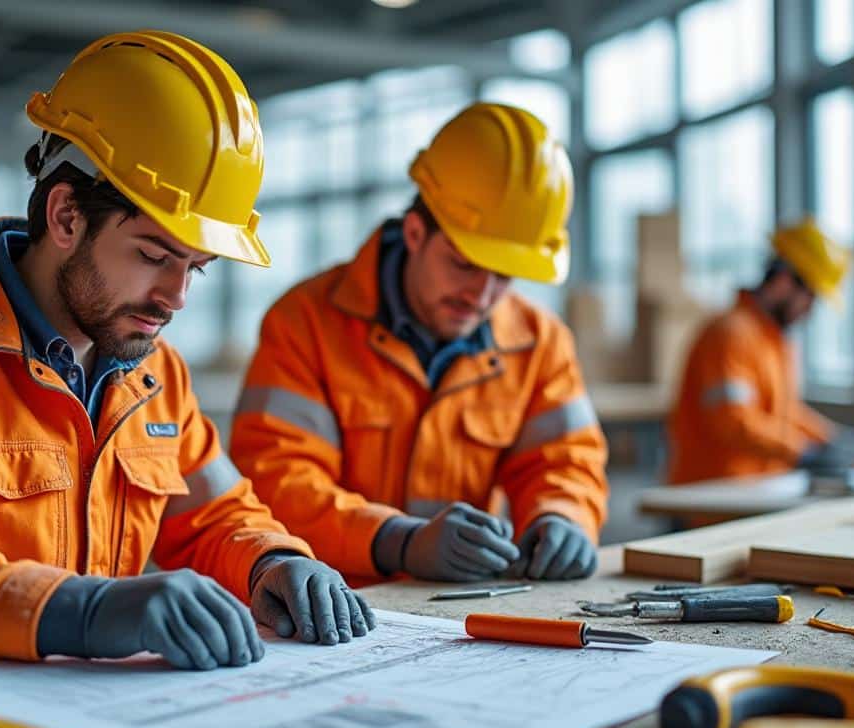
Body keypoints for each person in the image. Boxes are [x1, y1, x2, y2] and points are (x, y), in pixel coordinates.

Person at [0, 30, 373, 696]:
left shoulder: (155, 377)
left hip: (60, 712)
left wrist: (271, 560)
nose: (175, 297)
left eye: (195, 268)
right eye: (153, 256)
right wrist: (78, 611)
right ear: (65, 216)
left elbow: (215, 516)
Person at [229, 103, 607, 585]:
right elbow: (277, 481)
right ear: (414, 232)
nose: (481, 296)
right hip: (335, 603)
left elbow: (567, 460)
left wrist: (565, 515)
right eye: (464, 264)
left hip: (466, 606)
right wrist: (395, 540)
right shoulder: (305, 323)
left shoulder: (540, 342)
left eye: (504, 276)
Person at [667, 216, 854, 485]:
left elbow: (784, 412)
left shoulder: (772, 340)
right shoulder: (731, 335)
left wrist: (831, 437)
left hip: (753, 489)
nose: (809, 311)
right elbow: (734, 420)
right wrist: (802, 451)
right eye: (811, 297)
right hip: (712, 492)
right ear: (784, 281)